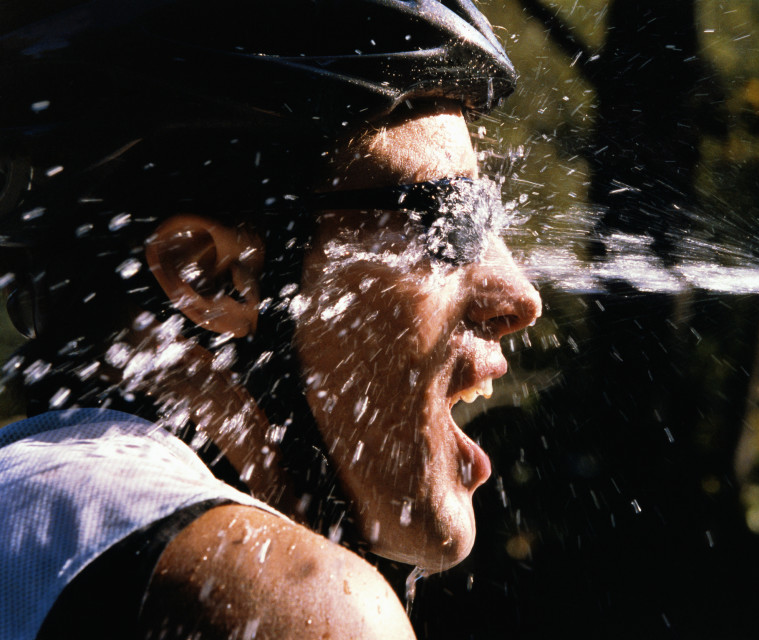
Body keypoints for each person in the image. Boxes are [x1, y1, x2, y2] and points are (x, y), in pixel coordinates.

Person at [0, 1, 542, 638]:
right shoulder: (275, 594)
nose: (520, 296)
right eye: (450, 222)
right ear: (210, 276)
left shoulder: (39, 515)